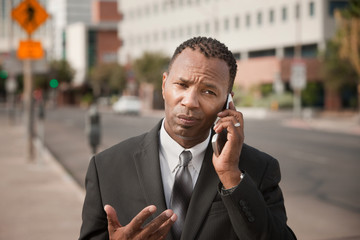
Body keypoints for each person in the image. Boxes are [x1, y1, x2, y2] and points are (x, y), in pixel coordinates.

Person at [79, 36, 297, 240]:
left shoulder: (258, 169)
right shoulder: (105, 168)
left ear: (227, 102)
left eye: (208, 92)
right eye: (182, 85)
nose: (190, 101)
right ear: (164, 85)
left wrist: (231, 175)